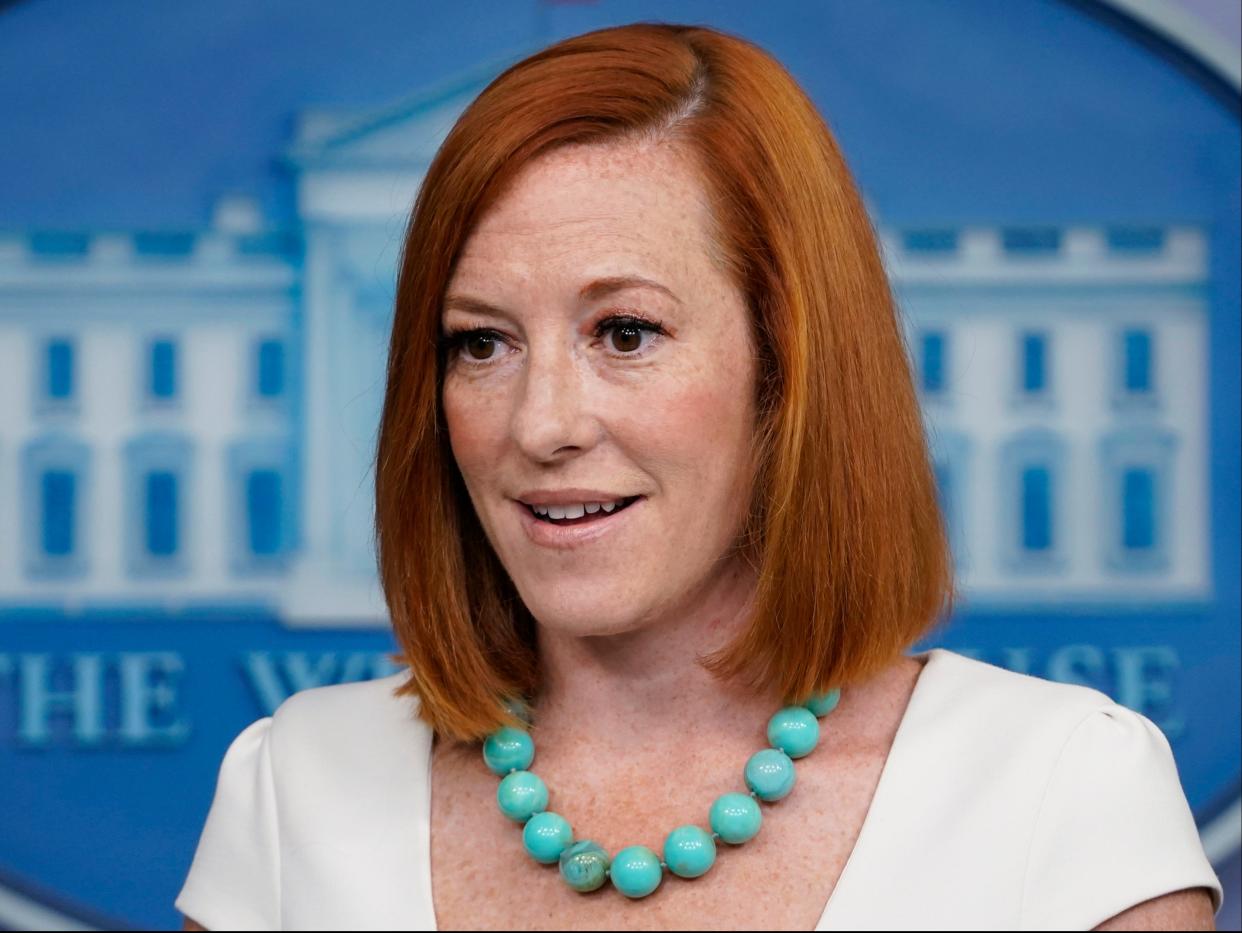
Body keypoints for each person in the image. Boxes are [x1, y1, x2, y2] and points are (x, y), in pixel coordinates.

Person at [175, 22, 1223, 931]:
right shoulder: (292, 791)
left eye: (624, 332)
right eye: (480, 344)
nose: (539, 425)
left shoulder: (1064, 795)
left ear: (790, 366)